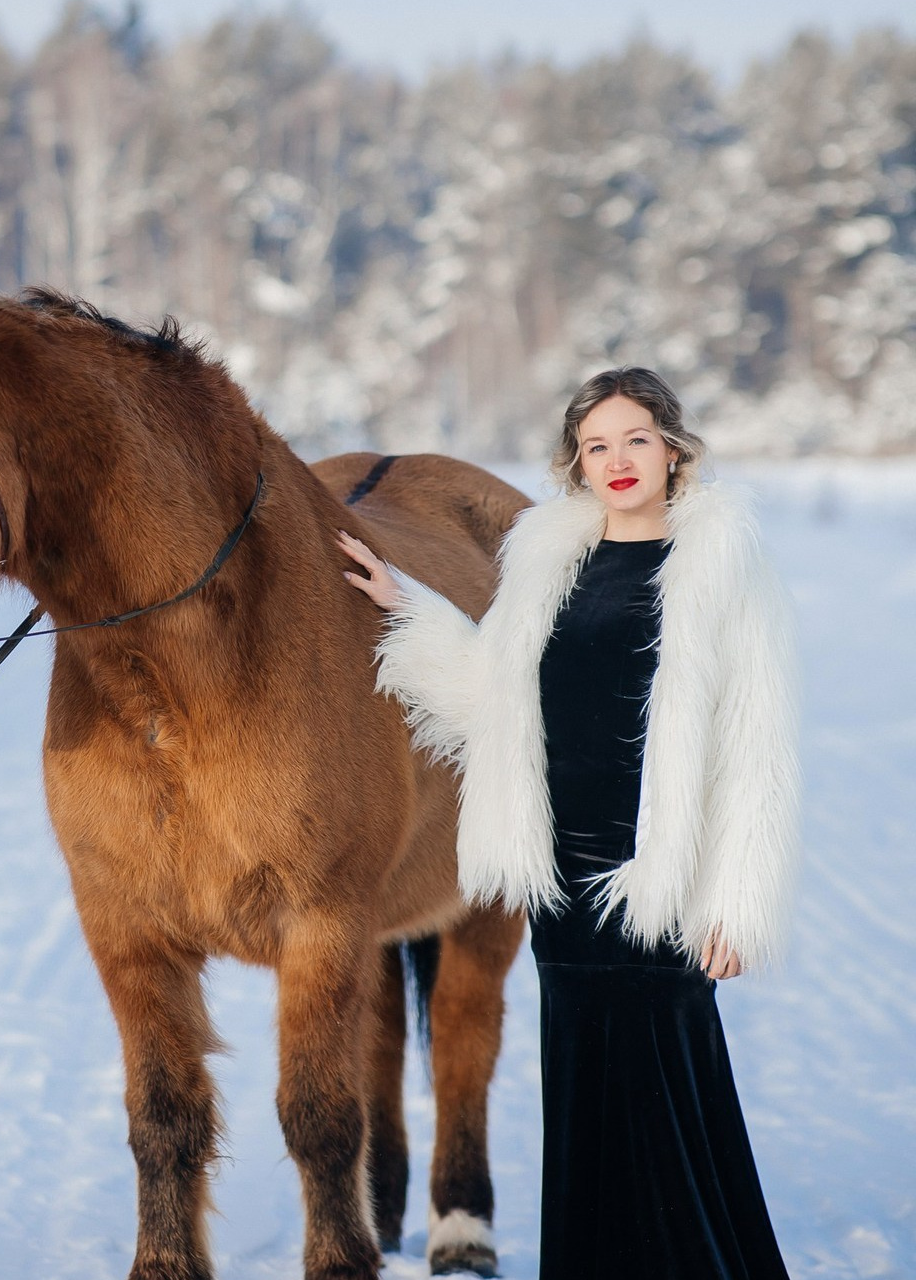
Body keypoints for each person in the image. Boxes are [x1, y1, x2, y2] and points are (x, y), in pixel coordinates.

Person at [338, 367, 798, 1280]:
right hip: (562, 882)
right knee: (583, 1101)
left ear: (673, 450)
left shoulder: (721, 564)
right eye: (597, 446)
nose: (617, 460)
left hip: (662, 880)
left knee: (669, 1097)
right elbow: (492, 696)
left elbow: (757, 745)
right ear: (576, 462)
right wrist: (405, 606)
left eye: (636, 440)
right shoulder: (549, 563)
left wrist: (738, 899)